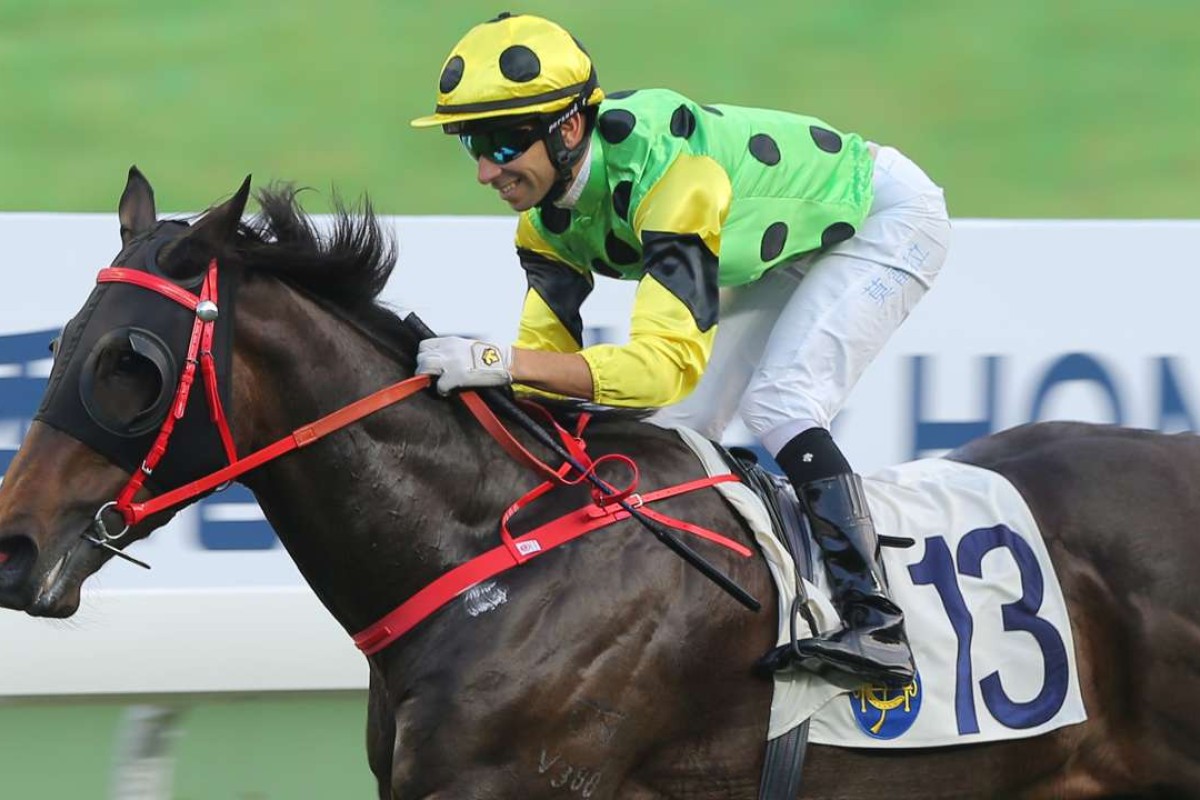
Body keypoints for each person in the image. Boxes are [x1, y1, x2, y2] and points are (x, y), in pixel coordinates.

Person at [411, 12, 950, 687]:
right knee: (675, 439)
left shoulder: (676, 180)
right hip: (774, 247)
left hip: (880, 219)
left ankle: (877, 623)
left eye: (500, 143)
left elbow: (662, 368)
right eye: (471, 145)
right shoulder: (543, 227)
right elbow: (546, 386)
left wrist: (494, 363)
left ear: (569, 128)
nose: (486, 171)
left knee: (781, 402)